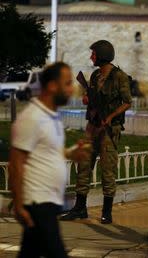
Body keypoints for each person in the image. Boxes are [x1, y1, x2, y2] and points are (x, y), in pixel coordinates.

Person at [9, 62, 90, 258]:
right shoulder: (32, 117)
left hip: (49, 201)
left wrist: (71, 153)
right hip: (38, 201)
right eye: (68, 83)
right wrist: (19, 204)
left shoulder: (52, 116)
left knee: (30, 253)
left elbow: (49, 152)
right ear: (53, 86)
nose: (72, 90)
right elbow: (16, 162)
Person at [61, 40, 132, 224]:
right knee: (83, 164)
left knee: (108, 170)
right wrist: (87, 99)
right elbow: (90, 98)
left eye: (93, 54)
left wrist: (110, 117)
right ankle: (80, 208)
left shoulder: (119, 77)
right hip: (92, 127)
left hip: (109, 129)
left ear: (102, 55)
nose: (91, 57)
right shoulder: (94, 76)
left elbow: (127, 102)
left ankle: (106, 211)